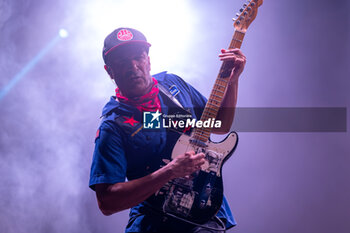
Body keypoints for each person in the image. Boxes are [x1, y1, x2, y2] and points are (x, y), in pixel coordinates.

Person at [89, 27, 246, 233]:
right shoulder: (114, 126)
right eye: (122, 62)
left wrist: (232, 82)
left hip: (204, 212)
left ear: (149, 60)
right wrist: (169, 172)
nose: (133, 66)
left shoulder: (173, 86)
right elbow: (107, 202)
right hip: (155, 222)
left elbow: (219, 126)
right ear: (110, 71)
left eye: (139, 57)